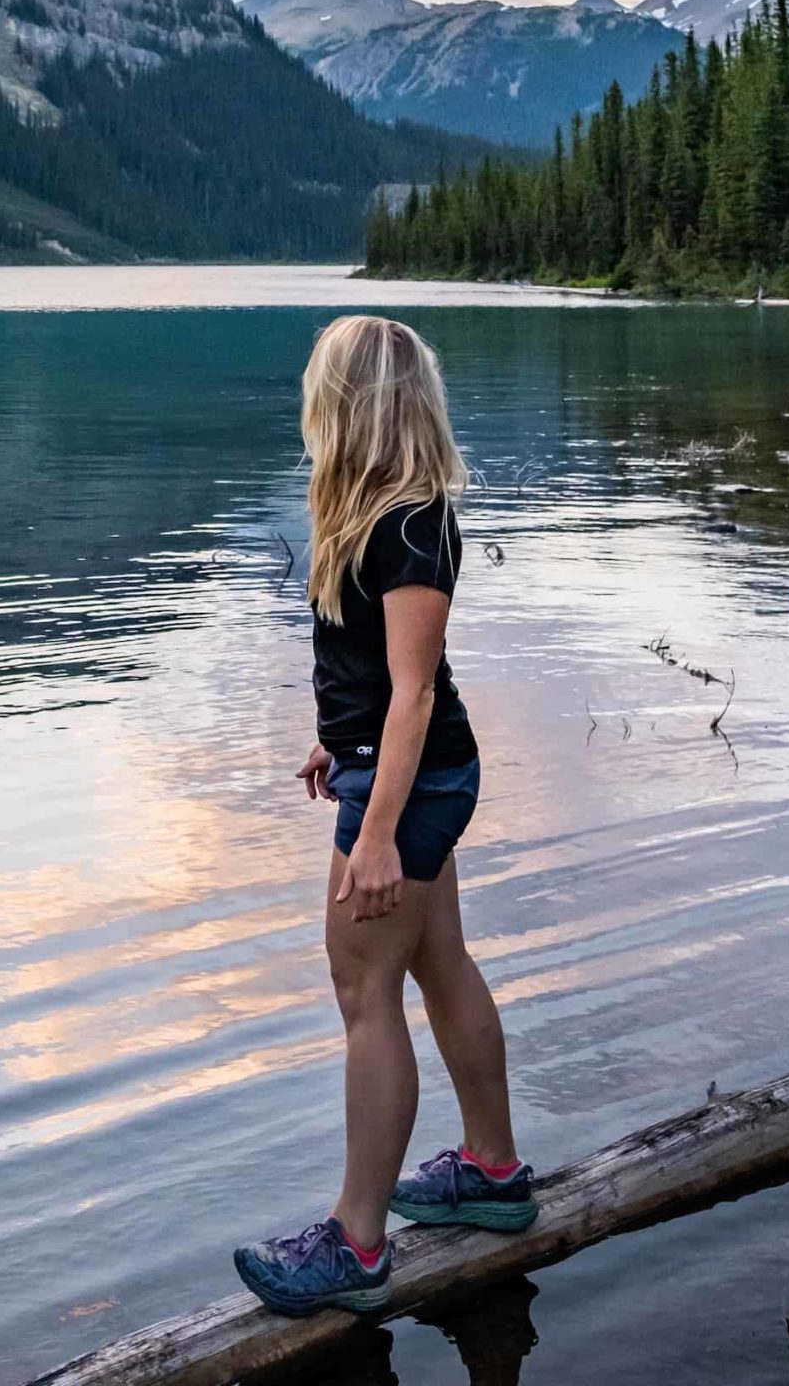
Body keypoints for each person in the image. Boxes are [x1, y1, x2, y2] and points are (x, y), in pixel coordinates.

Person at [234, 314, 535, 1318]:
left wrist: (374, 834)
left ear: (353, 403)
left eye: (321, 386)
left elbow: (413, 693)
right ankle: (491, 1169)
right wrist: (338, 736)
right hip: (403, 771)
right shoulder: (381, 513)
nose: (309, 403)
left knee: (366, 995)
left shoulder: (409, 523)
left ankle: (357, 1244)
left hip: (407, 787)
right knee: (439, 960)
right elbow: (379, 681)